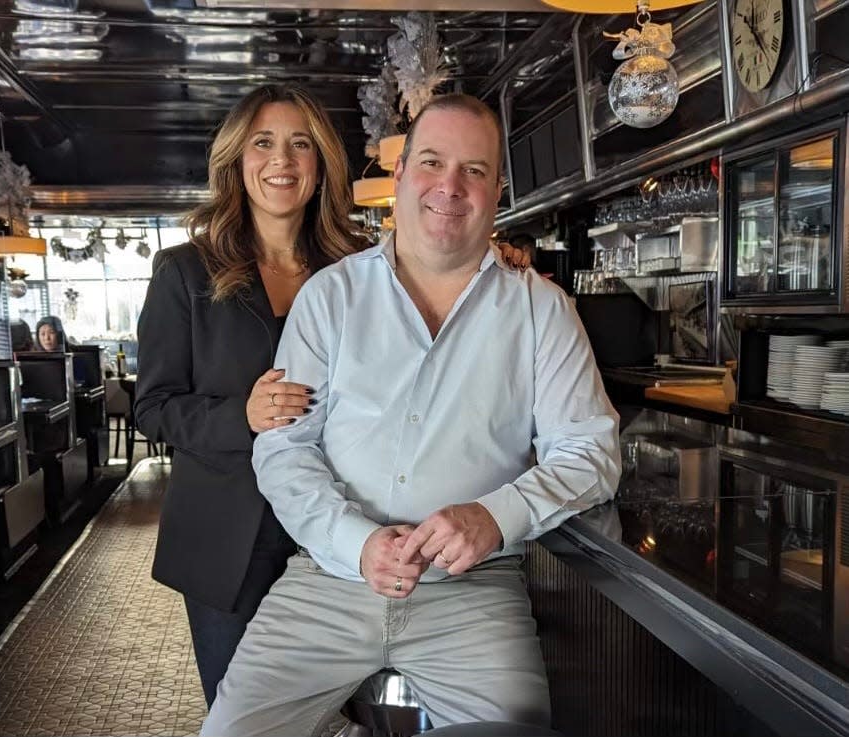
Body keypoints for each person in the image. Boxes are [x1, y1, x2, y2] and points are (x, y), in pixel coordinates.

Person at [202, 94, 622, 736]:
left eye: (474, 170)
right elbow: (285, 449)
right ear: (399, 178)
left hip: (473, 591)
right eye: (431, 162)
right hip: (328, 578)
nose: (450, 186)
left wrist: (494, 515)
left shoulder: (543, 310)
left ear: (498, 190)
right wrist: (356, 540)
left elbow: (590, 453)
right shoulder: (330, 296)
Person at [134, 84, 532, 709]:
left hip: (343, 531)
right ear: (238, 160)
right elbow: (153, 405)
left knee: (357, 713)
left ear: (322, 164)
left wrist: (491, 257)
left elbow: (446, 287)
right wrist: (242, 418)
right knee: (245, 705)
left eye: (301, 145)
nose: (282, 161)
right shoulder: (186, 270)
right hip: (230, 534)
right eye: (263, 143)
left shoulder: (357, 266)